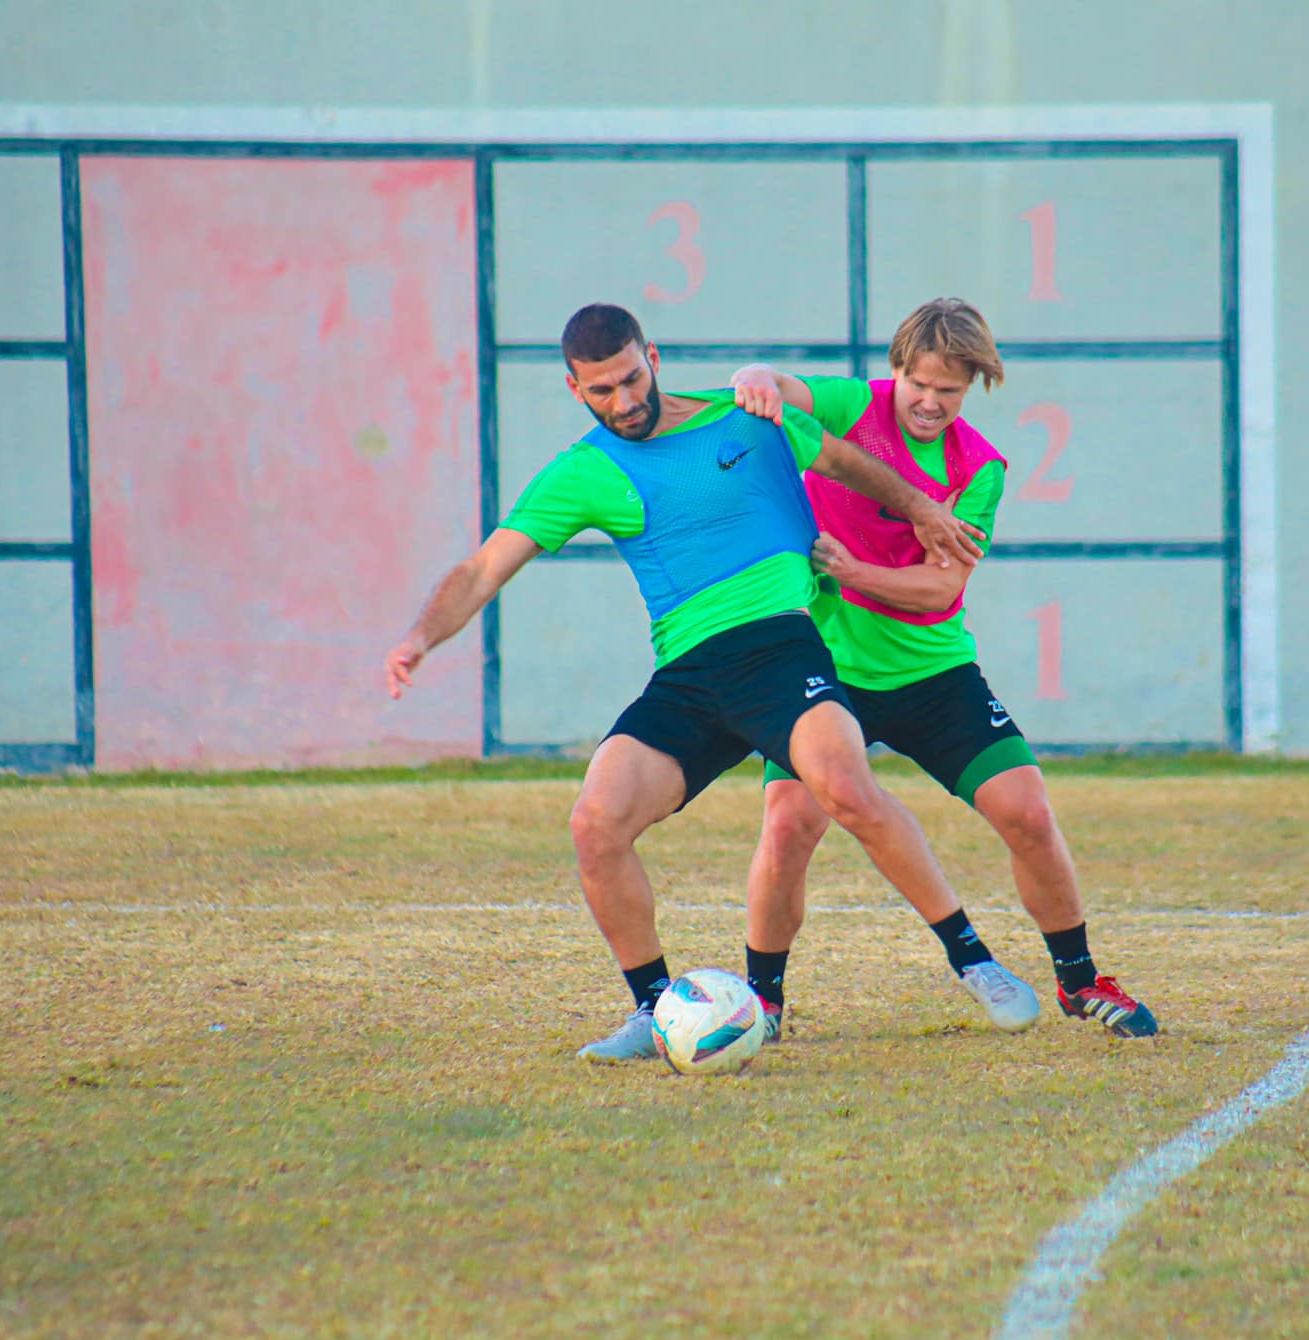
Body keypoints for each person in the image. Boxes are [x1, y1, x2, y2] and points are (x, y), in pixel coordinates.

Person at [384, 303, 1039, 1063]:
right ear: (575, 390)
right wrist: (419, 637)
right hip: (690, 677)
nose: (624, 402)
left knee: (847, 789)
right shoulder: (583, 471)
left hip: (781, 649)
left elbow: (845, 460)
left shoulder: (746, 417)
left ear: (652, 358)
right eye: (602, 392)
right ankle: (654, 1009)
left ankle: (972, 959)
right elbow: (481, 568)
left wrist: (923, 507)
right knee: (595, 824)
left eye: (632, 379)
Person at [730, 297, 1159, 1038]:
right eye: (918, 384)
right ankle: (762, 1003)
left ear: (974, 388)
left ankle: (1080, 980)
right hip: (825, 672)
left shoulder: (978, 467)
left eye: (949, 390)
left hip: (934, 672)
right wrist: (754, 377)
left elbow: (940, 590)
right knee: (788, 822)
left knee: (1027, 812)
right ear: (896, 370)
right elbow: (775, 383)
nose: (929, 402)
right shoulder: (851, 407)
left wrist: (850, 572)